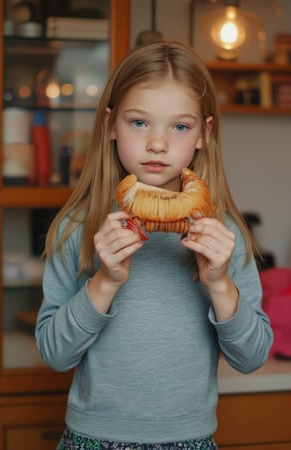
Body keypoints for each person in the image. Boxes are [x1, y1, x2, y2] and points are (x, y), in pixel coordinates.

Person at [35, 41, 273, 450]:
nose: (158, 144)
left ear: (204, 133)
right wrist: (105, 282)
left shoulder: (222, 233)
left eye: (180, 126)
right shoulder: (77, 227)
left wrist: (219, 284)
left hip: (189, 439)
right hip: (93, 438)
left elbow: (250, 358)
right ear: (111, 124)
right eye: (139, 122)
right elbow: (55, 355)